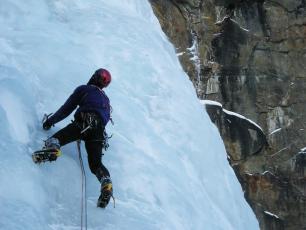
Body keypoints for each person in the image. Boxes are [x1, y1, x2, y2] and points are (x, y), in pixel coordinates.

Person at [41, 68, 113, 208]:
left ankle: (53, 149)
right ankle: (106, 182)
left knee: (55, 139)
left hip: (83, 123)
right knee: (96, 165)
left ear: (93, 76)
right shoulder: (106, 100)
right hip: (98, 132)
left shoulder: (84, 89)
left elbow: (66, 109)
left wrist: (49, 122)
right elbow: (104, 119)